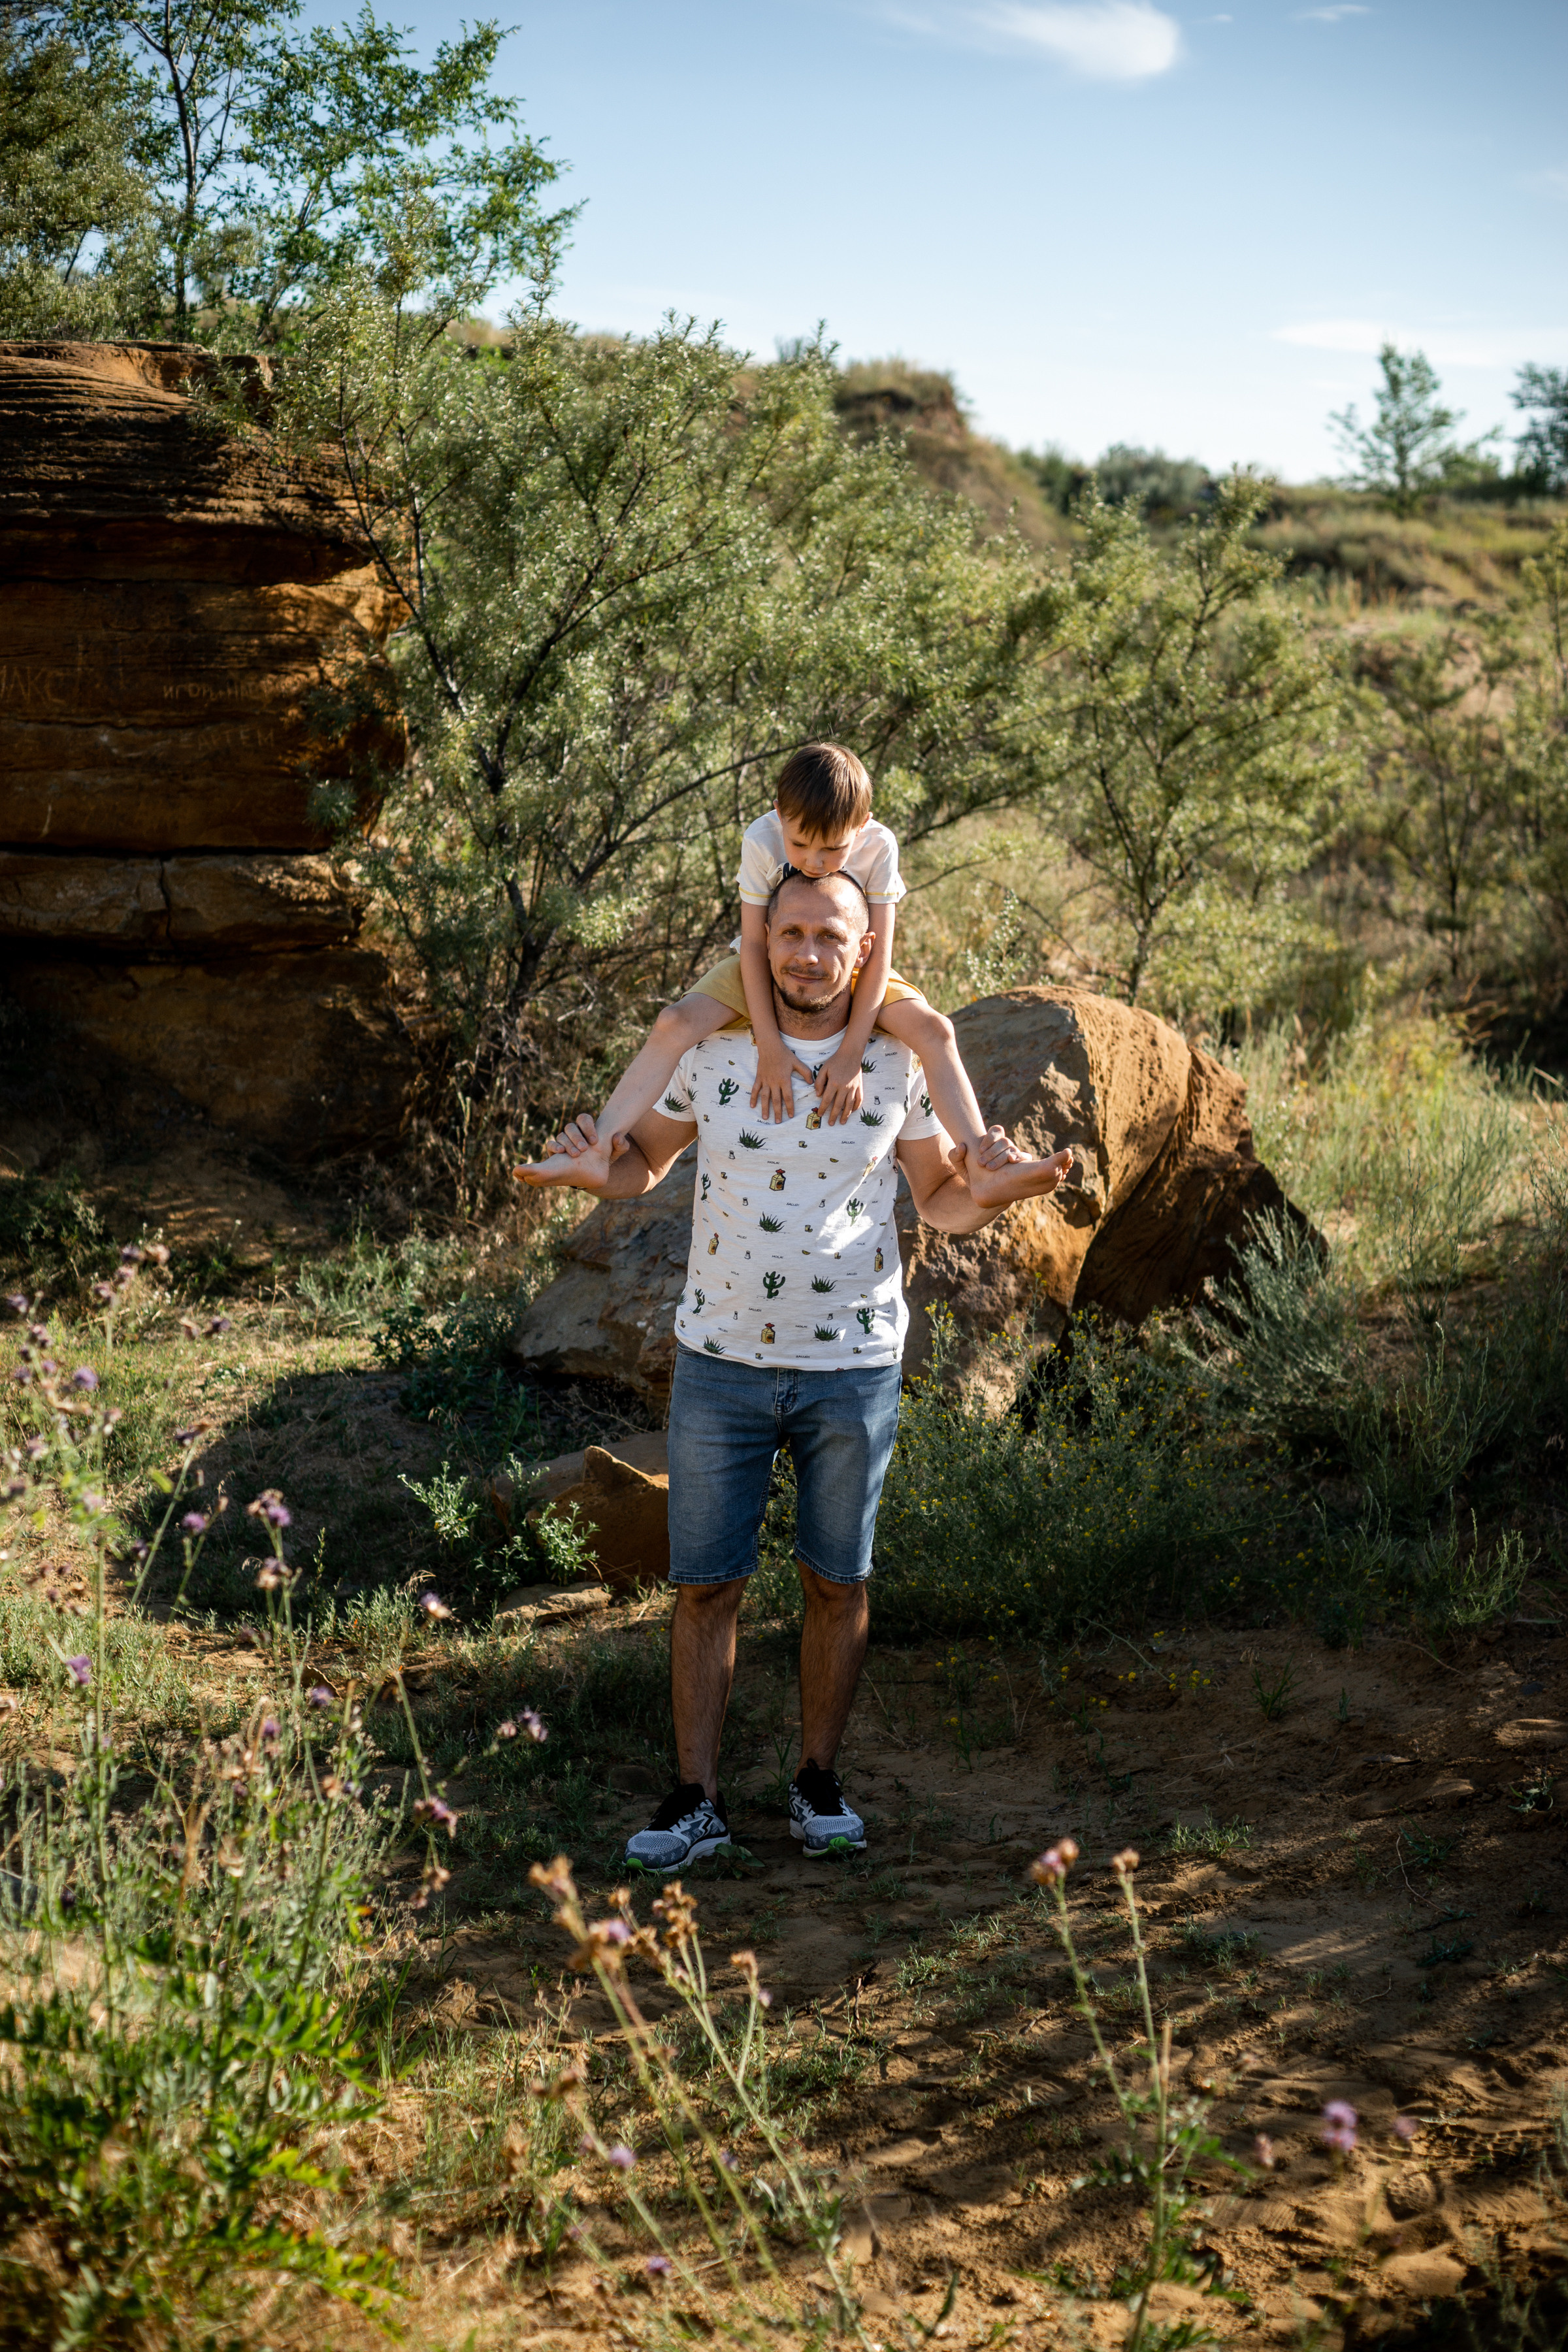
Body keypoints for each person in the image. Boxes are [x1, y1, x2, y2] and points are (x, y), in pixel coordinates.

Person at [518, 866, 1074, 1873]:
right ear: (760, 941)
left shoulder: (900, 1061)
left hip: (852, 1364)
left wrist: (997, 1195)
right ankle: (696, 1800)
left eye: (831, 936)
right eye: (792, 934)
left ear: (867, 950)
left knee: (837, 1581)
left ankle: (818, 1784)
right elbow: (643, 1161)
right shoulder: (713, 1049)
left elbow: (942, 1200)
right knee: (705, 1589)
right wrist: (587, 1166)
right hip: (720, 1362)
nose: (809, 953)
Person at [522, 741, 1037, 1207]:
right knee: (674, 1023)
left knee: (935, 1031)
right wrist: (769, 1045)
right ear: (778, 816)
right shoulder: (763, 838)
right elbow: (751, 942)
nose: (814, 861)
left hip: (853, 962)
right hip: (766, 956)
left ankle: (981, 1165)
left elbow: (877, 954)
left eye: (834, 849)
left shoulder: (879, 846)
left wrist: (852, 1052)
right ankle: (596, 1148)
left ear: (862, 827)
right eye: (801, 846)